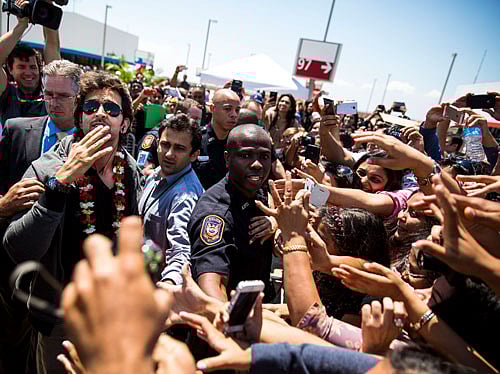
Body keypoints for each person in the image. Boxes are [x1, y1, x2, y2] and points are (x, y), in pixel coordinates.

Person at [3, 70, 141, 374]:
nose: (101, 114)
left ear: (126, 123)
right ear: (80, 119)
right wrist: (62, 181)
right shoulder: (47, 167)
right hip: (60, 318)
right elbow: (17, 246)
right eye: (91, 108)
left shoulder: (131, 171)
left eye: (112, 109)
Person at [189, 124, 276, 302]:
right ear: (227, 159)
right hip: (235, 318)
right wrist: (227, 319)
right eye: (245, 155)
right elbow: (211, 284)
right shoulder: (216, 213)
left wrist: (275, 221)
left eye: (264, 156)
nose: (257, 164)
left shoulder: (254, 189)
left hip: (260, 304)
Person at [0, 60, 83, 195]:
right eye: (49, 94)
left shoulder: (91, 141)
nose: (54, 103)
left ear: (79, 97)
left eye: (63, 96)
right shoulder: (15, 131)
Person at [139, 114, 204, 285]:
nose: (169, 154)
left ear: (194, 155)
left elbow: (182, 250)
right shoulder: (155, 175)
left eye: (179, 148)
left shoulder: (185, 196)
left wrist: (168, 284)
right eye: (165, 144)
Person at [0, 2, 60, 124]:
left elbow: (52, 46)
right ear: (10, 70)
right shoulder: (7, 92)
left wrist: (47, 5)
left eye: (33, 67)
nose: (28, 72)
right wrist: (22, 25)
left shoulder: (50, 91)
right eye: (21, 67)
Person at [193, 88, 241, 189]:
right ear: (212, 108)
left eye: (237, 110)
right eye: (227, 109)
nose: (234, 115)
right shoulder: (196, 139)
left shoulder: (239, 143)